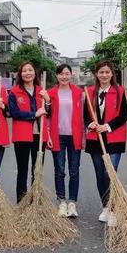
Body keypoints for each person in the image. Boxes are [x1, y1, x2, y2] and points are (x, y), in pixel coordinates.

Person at [84, 61, 127, 224]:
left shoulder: (120, 91)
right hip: (95, 140)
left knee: (110, 173)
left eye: (107, 72)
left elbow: (124, 115)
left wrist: (107, 126)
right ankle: (105, 208)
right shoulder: (89, 92)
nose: (104, 75)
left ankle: (113, 208)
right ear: (96, 74)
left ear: (112, 74)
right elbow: (85, 114)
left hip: (113, 138)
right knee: (99, 174)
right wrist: (91, 124)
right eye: (101, 72)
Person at [8, 61, 50, 203]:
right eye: (24, 70)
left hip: (40, 135)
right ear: (20, 74)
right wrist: (33, 114)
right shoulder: (14, 91)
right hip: (22, 136)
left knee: (37, 170)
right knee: (22, 170)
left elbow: (48, 113)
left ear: (35, 73)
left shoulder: (41, 91)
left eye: (30, 70)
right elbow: (14, 113)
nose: (27, 73)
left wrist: (48, 101)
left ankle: (35, 200)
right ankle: (21, 201)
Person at [47, 63, 83, 218]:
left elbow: (83, 115)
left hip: (74, 135)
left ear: (71, 75)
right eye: (61, 74)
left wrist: (84, 135)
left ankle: (72, 203)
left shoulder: (78, 93)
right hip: (58, 135)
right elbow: (47, 116)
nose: (64, 76)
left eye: (67, 73)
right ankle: (61, 202)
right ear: (57, 76)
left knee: (74, 170)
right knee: (60, 170)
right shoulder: (50, 93)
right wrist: (48, 134)